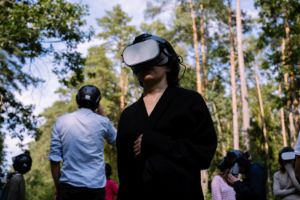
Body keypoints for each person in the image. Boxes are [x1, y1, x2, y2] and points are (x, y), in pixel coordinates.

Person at [116, 33, 217, 200]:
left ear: (169, 65)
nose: (146, 64)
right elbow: (125, 173)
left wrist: (156, 141)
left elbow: (203, 155)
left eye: (152, 57)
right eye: (140, 60)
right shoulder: (128, 115)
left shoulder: (190, 101)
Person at [49, 85, 117, 200]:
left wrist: (58, 188)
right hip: (95, 187)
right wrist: (101, 110)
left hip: (68, 187)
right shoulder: (103, 122)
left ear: (77, 100)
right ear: (97, 103)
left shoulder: (61, 121)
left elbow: (54, 159)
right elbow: (116, 140)